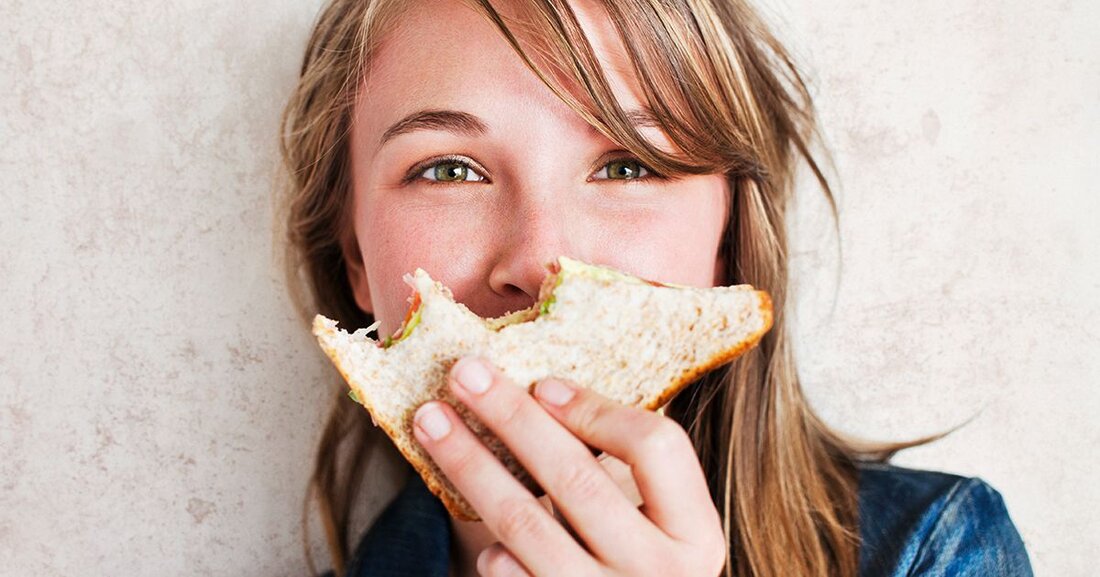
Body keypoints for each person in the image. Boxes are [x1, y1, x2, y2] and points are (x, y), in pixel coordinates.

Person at [278, 0, 1034, 576]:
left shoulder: (936, 547)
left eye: (627, 165)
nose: (543, 261)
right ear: (352, 256)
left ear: (728, 235)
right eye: (448, 170)